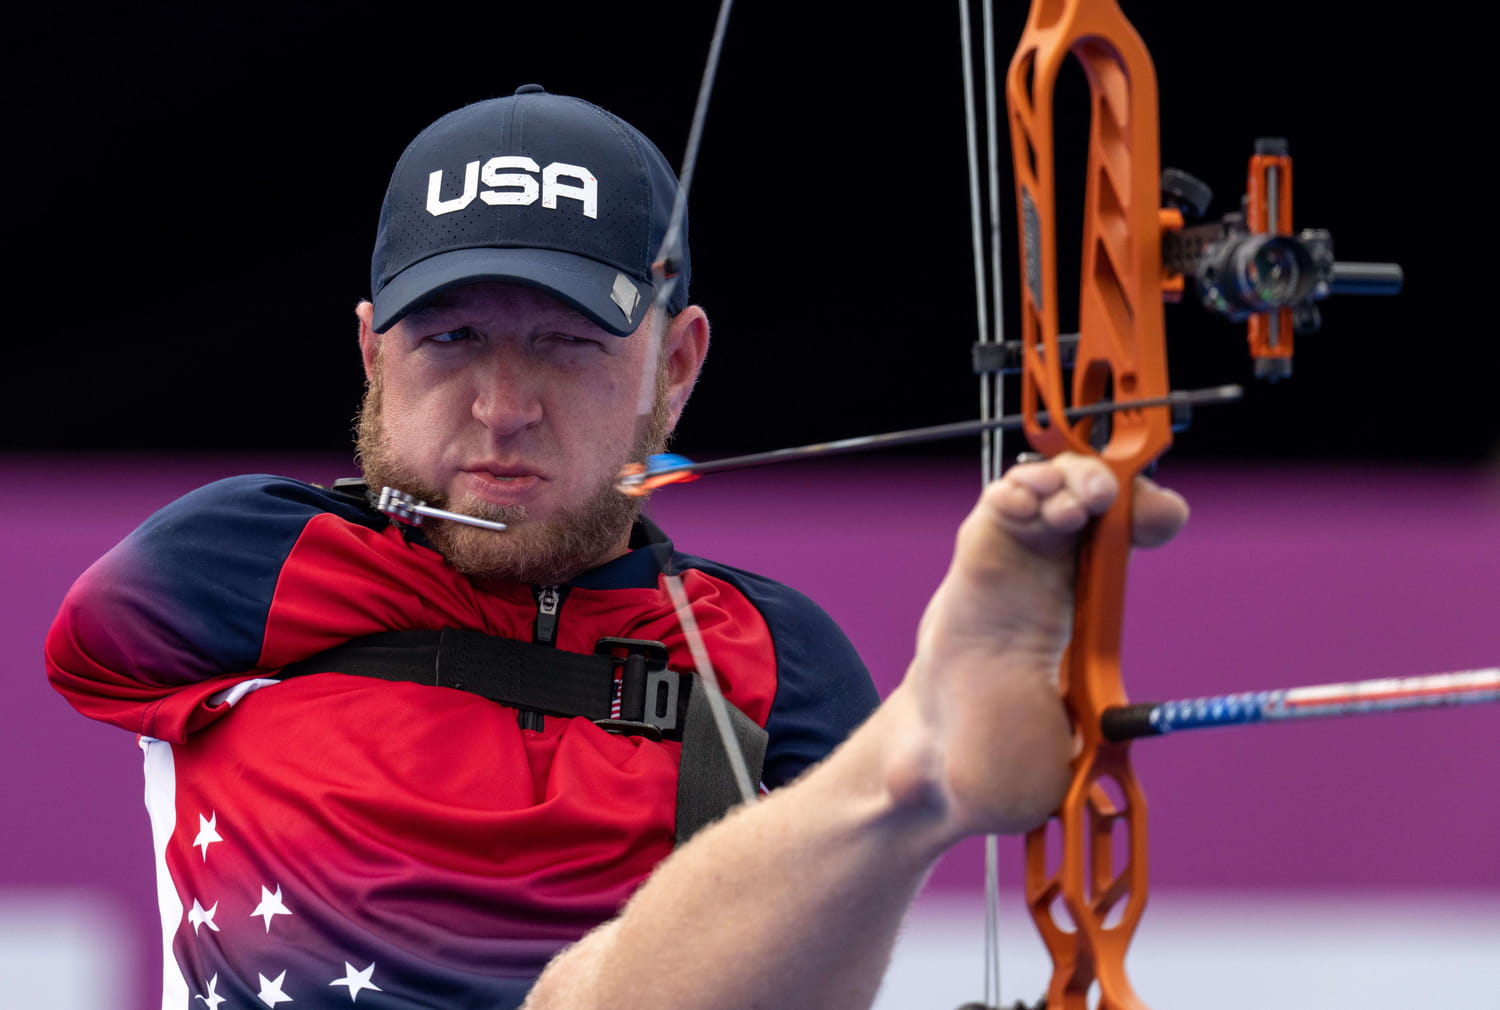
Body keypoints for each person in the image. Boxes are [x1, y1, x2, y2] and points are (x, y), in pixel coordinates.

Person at [46, 86, 1187, 1009]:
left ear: (675, 365)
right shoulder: (221, 569)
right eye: (448, 338)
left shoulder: (773, 662)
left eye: (568, 344)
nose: (502, 405)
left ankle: (906, 782)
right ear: (371, 352)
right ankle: (908, 776)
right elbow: (81, 652)